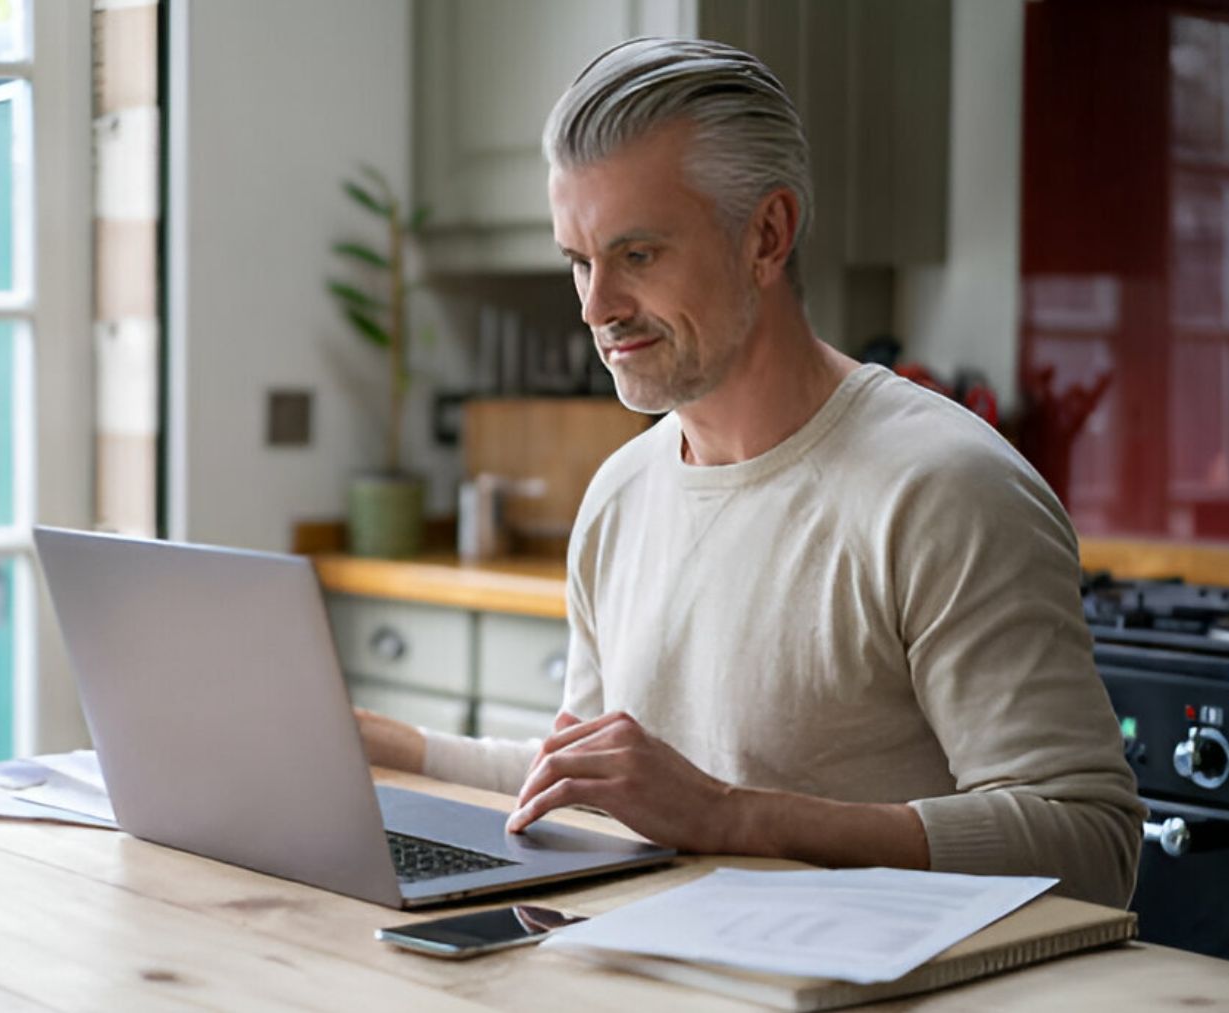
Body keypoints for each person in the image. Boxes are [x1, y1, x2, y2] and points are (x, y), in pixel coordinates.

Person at [357, 37, 1143, 907]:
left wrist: (738, 816)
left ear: (766, 235)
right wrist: (382, 747)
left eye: (638, 255)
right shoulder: (620, 496)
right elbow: (594, 780)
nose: (594, 306)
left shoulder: (944, 489)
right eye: (579, 261)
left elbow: (1092, 845)